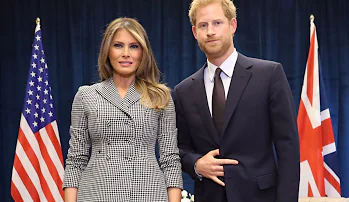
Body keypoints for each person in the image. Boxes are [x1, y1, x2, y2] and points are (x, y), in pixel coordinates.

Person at [173, 0, 300, 202]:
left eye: (217, 23)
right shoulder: (183, 91)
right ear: (194, 32)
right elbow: (178, 149)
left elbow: (288, 146)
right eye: (203, 25)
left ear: (232, 25)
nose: (210, 31)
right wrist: (196, 164)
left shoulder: (269, 75)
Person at [63, 17, 182, 202]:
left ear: (143, 52)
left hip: (148, 194)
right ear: (107, 51)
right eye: (118, 45)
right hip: (96, 193)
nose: (126, 53)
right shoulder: (86, 96)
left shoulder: (161, 97)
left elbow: (170, 160)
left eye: (134, 46)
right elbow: (76, 160)